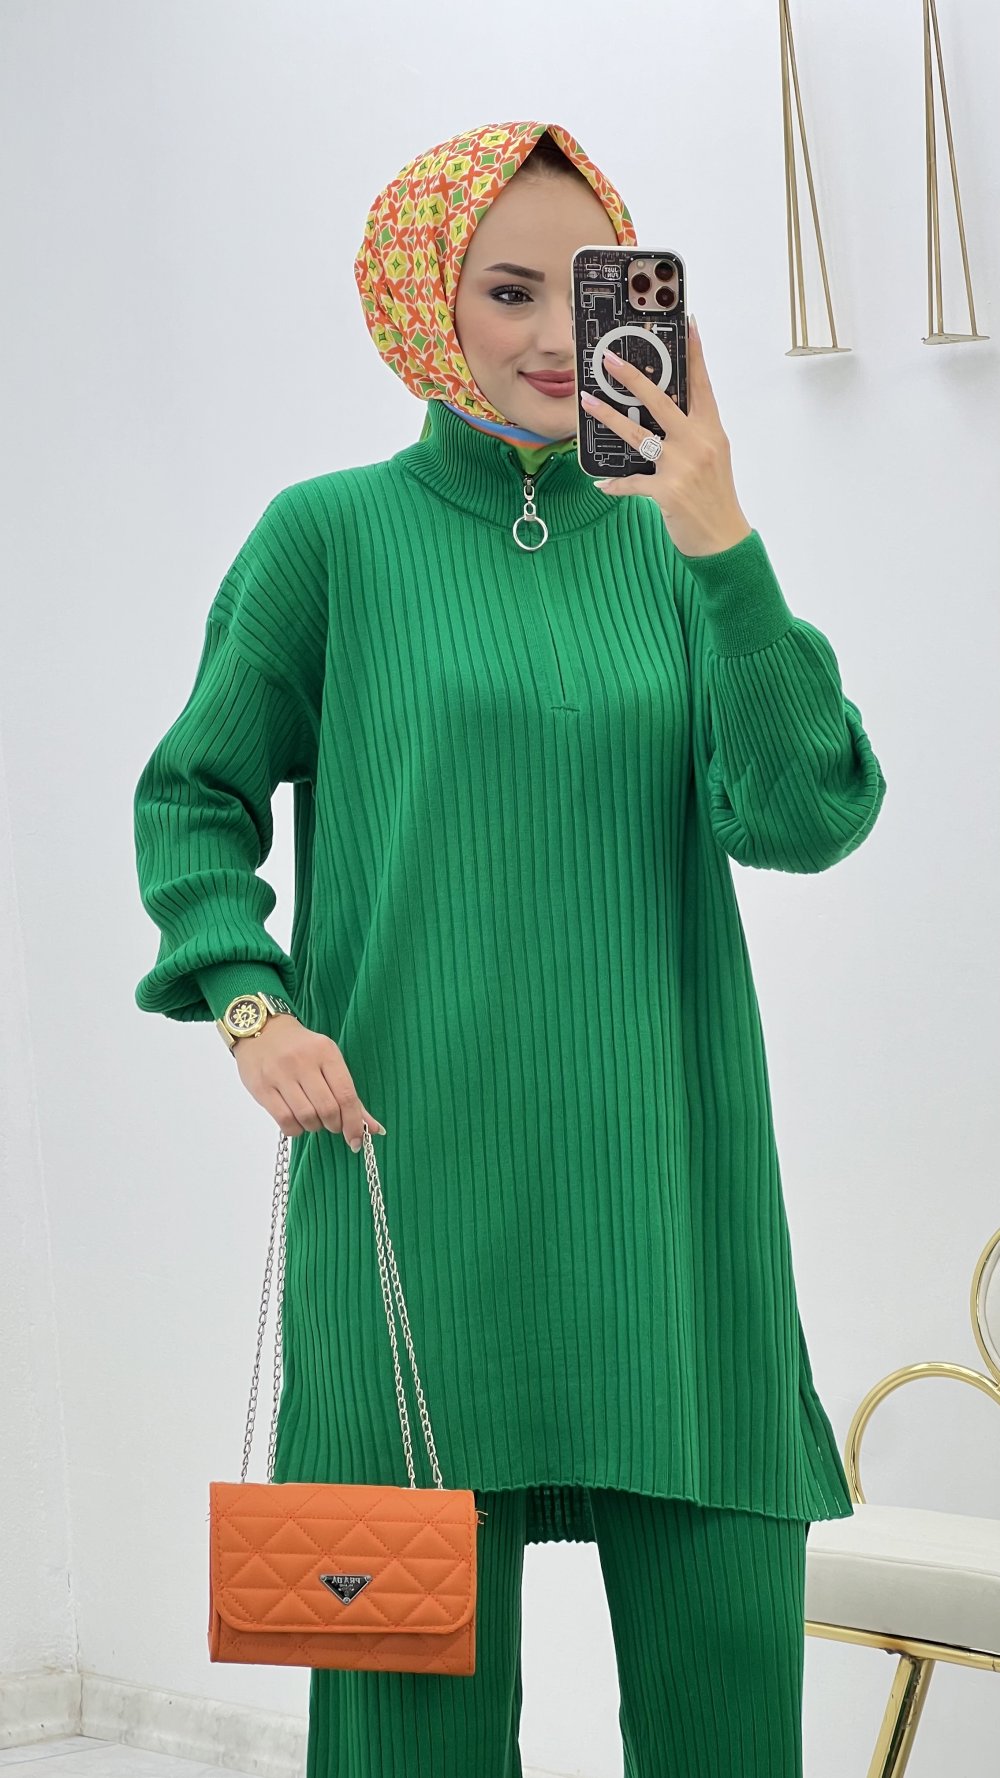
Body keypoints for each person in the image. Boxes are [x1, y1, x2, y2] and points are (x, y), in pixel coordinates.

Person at [133, 119, 887, 1778]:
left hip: (670, 1219)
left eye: (590, 289)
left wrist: (720, 530)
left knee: (728, 1723)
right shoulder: (329, 537)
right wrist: (249, 1000)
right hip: (408, 1198)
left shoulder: (682, 551)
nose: (557, 336)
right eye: (509, 291)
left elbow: (807, 810)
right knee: (409, 1736)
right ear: (428, 302)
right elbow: (193, 794)